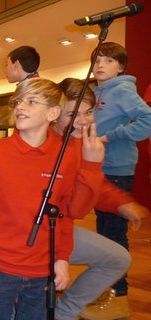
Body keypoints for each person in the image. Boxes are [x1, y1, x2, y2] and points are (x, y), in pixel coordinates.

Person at [0, 78, 105, 319]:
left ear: (53, 113)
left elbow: (67, 214)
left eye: (31, 101)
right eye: (18, 101)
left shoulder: (65, 158)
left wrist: (61, 258)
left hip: (42, 270)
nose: (20, 107)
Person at [53, 78, 148, 320]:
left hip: (61, 228)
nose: (82, 121)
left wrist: (120, 202)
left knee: (117, 258)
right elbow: (77, 208)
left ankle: (63, 312)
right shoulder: (49, 146)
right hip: (41, 234)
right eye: (72, 114)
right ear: (53, 113)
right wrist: (93, 165)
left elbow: (92, 185)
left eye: (88, 112)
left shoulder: (75, 142)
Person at [91, 42, 151, 297]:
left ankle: (119, 292)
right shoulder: (97, 92)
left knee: (113, 235)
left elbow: (148, 121)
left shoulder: (123, 90)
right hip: (100, 168)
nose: (101, 65)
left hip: (117, 169)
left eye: (108, 61)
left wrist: (109, 137)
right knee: (103, 233)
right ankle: (106, 291)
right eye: (97, 61)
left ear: (121, 67)